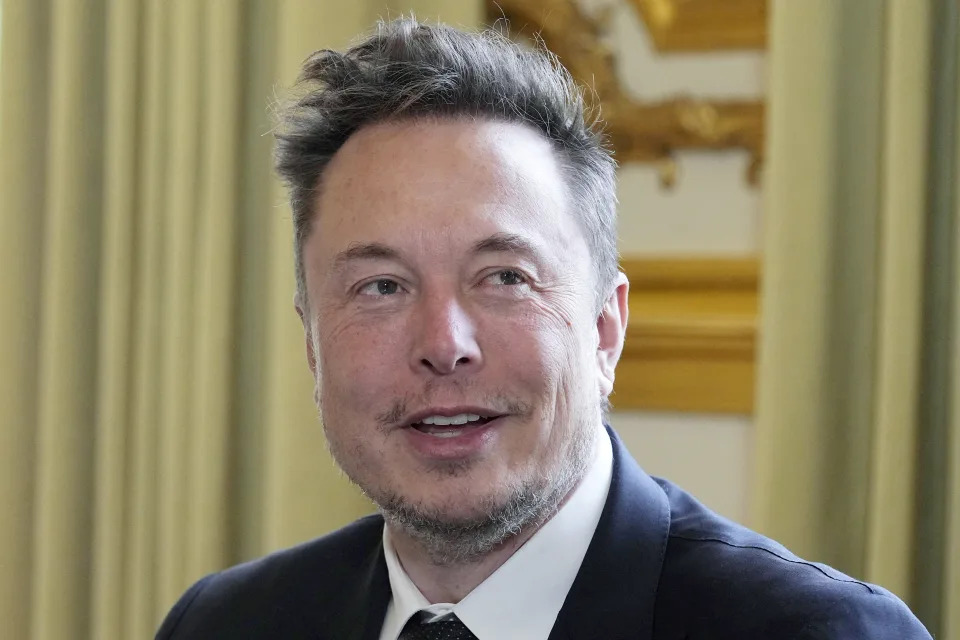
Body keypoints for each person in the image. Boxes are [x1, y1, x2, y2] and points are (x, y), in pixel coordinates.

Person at [157, 17, 931, 640]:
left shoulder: (819, 632)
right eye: (381, 286)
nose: (444, 342)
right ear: (311, 345)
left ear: (605, 329)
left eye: (504, 278)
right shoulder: (225, 623)